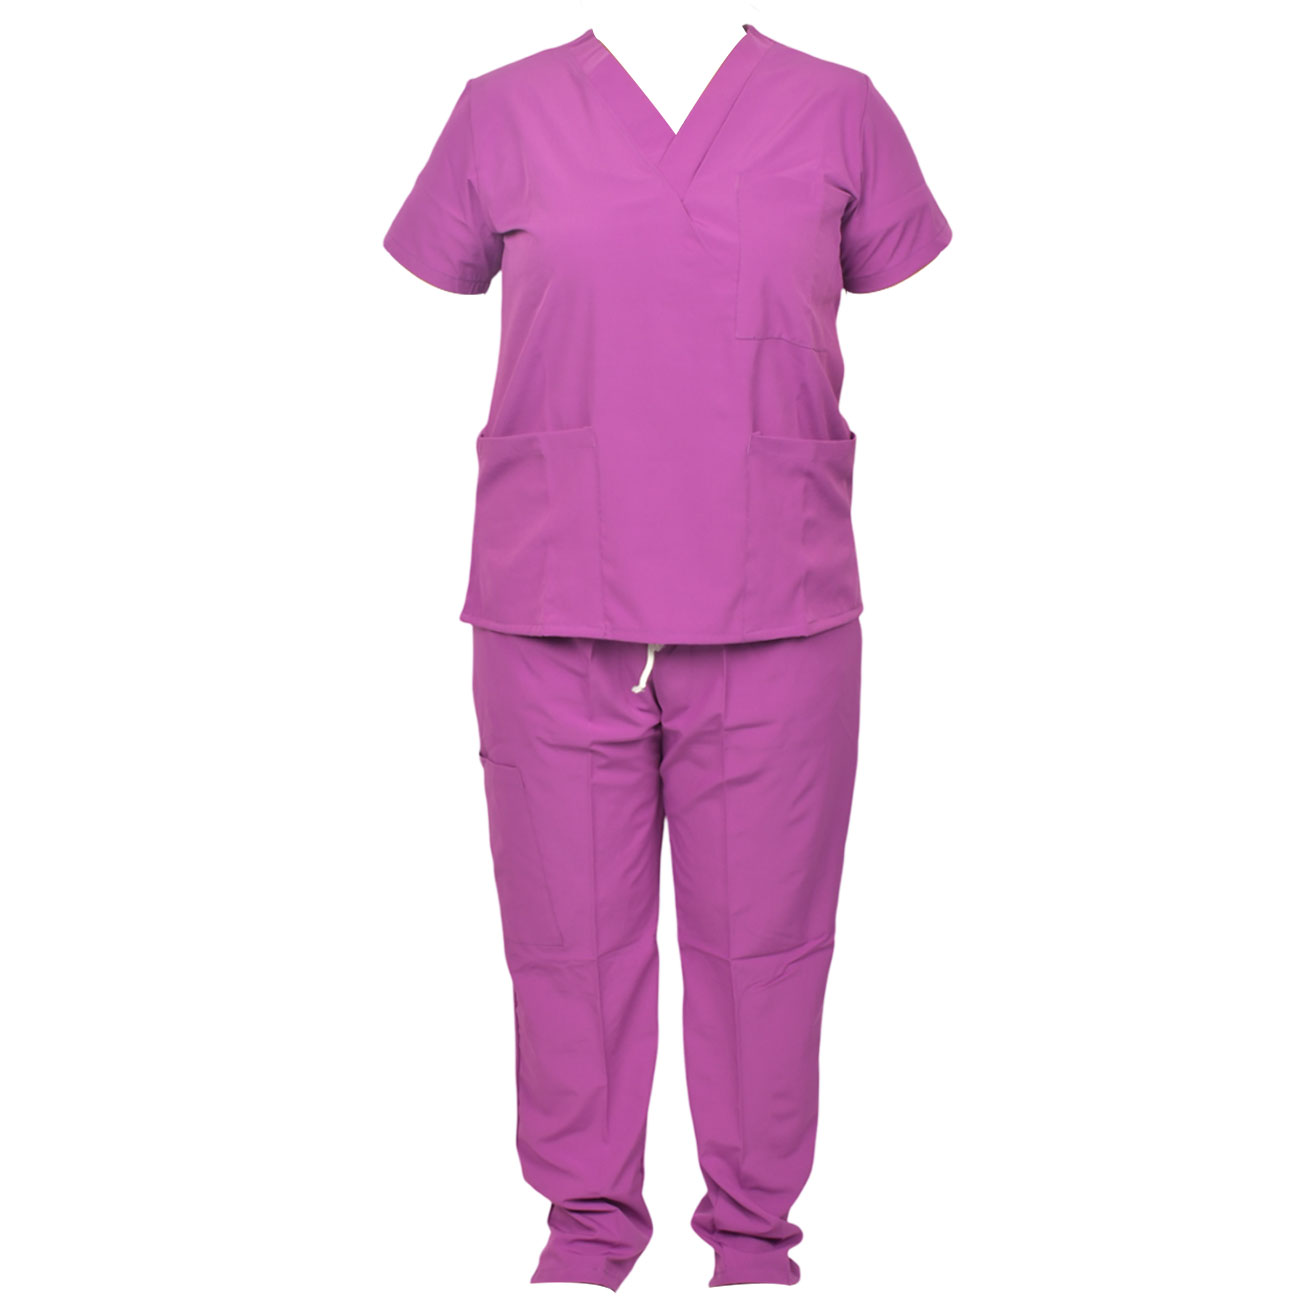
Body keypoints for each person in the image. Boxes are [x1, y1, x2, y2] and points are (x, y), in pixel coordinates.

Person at [382, 19, 952, 1291]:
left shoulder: (838, 108)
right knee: (564, 943)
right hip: (553, 590)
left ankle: (752, 1243)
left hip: (774, 587)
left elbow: (889, 266)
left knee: (769, 946)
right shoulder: (503, 110)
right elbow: (441, 268)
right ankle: (585, 1236)